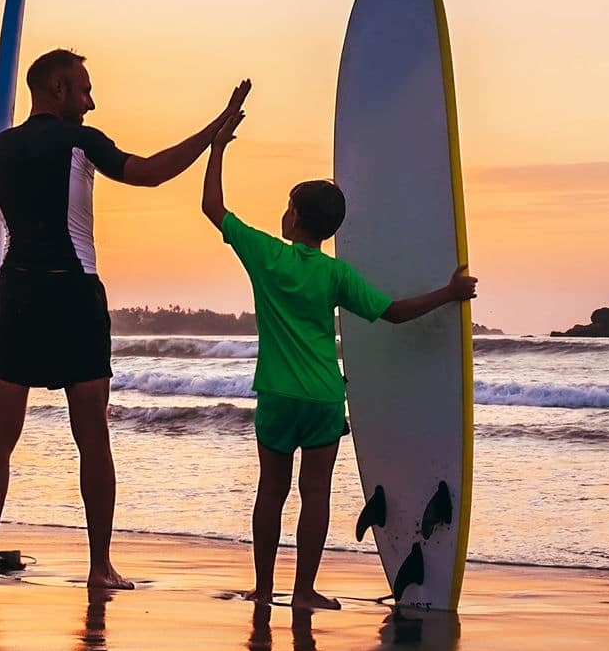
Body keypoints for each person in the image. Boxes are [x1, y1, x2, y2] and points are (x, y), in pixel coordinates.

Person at [0, 49, 250, 589]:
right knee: (91, 435)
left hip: (16, 298)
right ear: (58, 89)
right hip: (73, 295)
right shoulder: (81, 142)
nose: (91, 102)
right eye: (85, 89)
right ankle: (99, 567)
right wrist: (215, 131)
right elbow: (150, 173)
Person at [200, 111, 475, 609]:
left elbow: (212, 207)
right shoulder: (336, 274)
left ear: (295, 218)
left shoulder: (266, 255)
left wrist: (218, 147)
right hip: (324, 398)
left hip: (277, 396)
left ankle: (263, 589)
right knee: (315, 495)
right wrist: (449, 293)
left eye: (288, 206)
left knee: (271, 493)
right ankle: (303, 592)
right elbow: (394, 312)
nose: (284, 213)